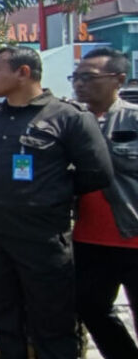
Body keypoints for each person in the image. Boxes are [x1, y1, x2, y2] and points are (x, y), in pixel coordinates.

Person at [0, 46, 113, 358]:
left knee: (51, 320)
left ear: (23, 72)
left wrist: (47, 196)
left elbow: (97, 174)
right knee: (3, 314)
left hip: (39, 238)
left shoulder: (68, 117)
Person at [70, 47, 138, 359]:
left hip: (132, 237)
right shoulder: (71, 122)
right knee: (89, 307)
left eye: (89, 77)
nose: (79, 84)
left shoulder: (133, 119)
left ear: (118, 79)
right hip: (89, 240)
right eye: (76, 77)